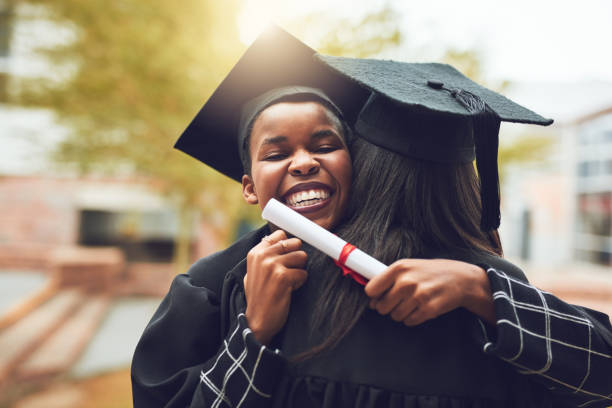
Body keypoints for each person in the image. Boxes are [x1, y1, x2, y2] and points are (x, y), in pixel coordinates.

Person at [131, 26, 612, 407]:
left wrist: (484, 290)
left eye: (325, 145)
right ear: (249, 186)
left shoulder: (483, 288)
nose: (303, 162)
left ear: (358, 166)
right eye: (277, 154)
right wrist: (254, 331)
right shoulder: (219, 284)